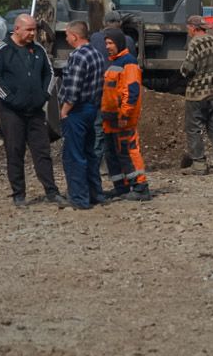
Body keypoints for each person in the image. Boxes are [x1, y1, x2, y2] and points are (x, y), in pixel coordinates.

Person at [0, 13, 69, 208]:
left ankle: (52, 192)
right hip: (12, 112)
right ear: (17, 29)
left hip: (36, 111)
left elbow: (49, 73)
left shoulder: (38, 49)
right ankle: (19, 194)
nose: (33, 33)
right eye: (29, 30)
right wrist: (10, 98)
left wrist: (44, 95)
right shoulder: (2, 49)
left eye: (34, 30)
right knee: (15, 151)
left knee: (42, 152)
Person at [58, 21, 107, 210]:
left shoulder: (78, 56)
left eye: (67, 35)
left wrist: (64, 111)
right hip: (92, 108)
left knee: (74, 155)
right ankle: (96, 194)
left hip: (77, 111)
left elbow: (73, 89)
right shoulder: (97, 54)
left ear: (75, 36)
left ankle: (79, 198)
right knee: (90, 153)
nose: (66, 39)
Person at [101, 29, 152, 201]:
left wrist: (124, 115)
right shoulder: (114, 63)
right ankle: (121, 186)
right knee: (112, 153)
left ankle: (140, 187)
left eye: (110, 43)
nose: (107, 47)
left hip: (122, 119)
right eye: (106, 43)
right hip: (110, 118)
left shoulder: (128, 62)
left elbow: (131, 91)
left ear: (119, 43)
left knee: (128, 151)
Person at [90, 11, 135, 198]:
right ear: (119, 23)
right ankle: (128, 181)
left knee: (100, 135)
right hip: (117, 98)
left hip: (100, 94)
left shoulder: (95, 38)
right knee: (122, 140)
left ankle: (97, 172)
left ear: (104, 22)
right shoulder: (128, 41)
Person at [179, 15, 213, 175]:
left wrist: (183, 71)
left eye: (188, 28)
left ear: (193, 28)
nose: (188, 31)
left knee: (193, 128)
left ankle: (199, 164)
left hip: (197, 94)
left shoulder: (195, 43)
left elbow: (187, 69)